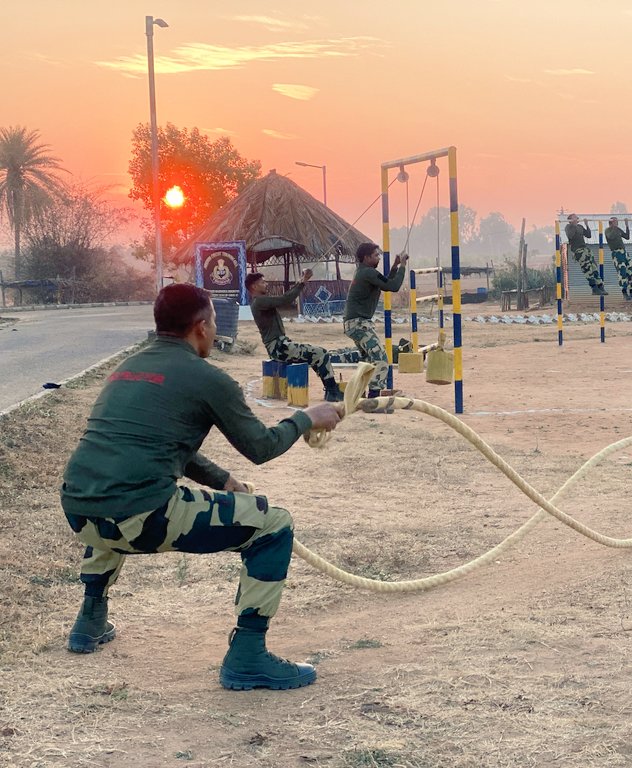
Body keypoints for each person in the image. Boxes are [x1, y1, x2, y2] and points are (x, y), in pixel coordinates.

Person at [62, 284, 343, 690]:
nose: (213, 330)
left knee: (114, 500)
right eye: (212, 322)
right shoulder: (208, 378)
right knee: (274, 524)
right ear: (199, 327)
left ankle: (89, 621)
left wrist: (223, 481)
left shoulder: (127, 369)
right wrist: (306, 417)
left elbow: (153, 444)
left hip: (79, 509)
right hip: (142, 515)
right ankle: (248, 655)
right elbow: (262, 447)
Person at [246, 269, 343, 402]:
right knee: (321, 353)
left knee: (316, 355)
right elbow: (285, 299)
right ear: (254, 286)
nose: (266, 284)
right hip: (278, 347)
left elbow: (285, 297)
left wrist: (300, 283)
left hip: (279, 346)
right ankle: (332, 390)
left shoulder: (259, 302)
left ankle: (331, 390)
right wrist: (302, 282)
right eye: (263, 282)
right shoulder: (259, 302)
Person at [343, 242, 408, 398]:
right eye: (376, 255)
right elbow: (393, 286)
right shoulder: (369, 273)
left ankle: (358, 395)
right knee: (381, 360)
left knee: (367, 361)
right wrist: (403, 266)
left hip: (353, 323)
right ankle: (373, 397)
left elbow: (385, 284)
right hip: (359, 323)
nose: (378, 257)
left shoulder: (364, 272)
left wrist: (395, 266)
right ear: (366, 258)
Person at [565, 213, 607, 296]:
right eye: (574, 218)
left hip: (585, 249)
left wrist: (586, 225)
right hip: (578, 250)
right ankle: (594, 288)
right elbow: (570, 236)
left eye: (576, 218)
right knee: (587, 268)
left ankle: (600, 286)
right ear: (570, 220)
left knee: (594, 267)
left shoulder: (580, 227)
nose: (576, 219)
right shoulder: (568, 227)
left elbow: (588, 235)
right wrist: (573, 225)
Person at [605, 217, 632, 301]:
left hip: (623, 252)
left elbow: (627, 237)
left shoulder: (617, 229)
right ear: (611, 223)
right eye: (615, 222)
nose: (617, 223)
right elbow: (611, 236)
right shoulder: (608, 230)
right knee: (622, 271)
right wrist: (614, 226)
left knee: (630, 271)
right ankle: (624, 292)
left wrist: (627, 226)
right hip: (616, 252)